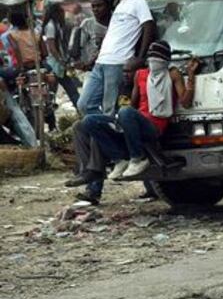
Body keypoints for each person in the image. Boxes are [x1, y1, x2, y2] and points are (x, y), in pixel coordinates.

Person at [65, 41, 201, 202]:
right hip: (134, 121)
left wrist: (191, 77)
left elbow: (185, 102)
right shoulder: (141, 75)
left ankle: (138, 158)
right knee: (87, 122)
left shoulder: (173, 74)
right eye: (151, 59)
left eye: (158, 59)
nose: (154, 63)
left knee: (125, 112)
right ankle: (114, 161)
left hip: (154, 126)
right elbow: (133, 105)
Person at [76, 0, 156, 117]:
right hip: (102, 62)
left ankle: (112, 136)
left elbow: (148, 26)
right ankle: (105, 133)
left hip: (118, 62)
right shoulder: (120, 5)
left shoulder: (138, 2)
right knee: (84, 104)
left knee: (109, 109)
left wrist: (140, 57)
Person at [41, 3, 81, 108]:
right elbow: (51, 47)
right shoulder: (51, 26)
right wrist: (61, 60)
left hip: (57, 64)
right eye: (62, 12)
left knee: (66, 90)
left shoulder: (56, 24)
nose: (63, 14)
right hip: (53, 64)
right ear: (57, 13)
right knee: (58, 92)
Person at [72, 0, 113, 70]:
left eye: (99, 6)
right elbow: (77, 47)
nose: (95, 9)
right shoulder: (87, 24)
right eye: (93, 6)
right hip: (92, 68)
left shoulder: (117, 22)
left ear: (108, 6)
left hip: (113, 64)